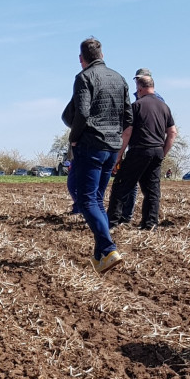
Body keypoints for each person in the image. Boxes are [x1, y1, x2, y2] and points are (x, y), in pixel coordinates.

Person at [67, 37, 132, 274]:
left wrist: (74, 138)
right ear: (102, 55)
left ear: (81, 59)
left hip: (91, 145)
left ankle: (109, 247)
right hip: (112, 147)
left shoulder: (83, 78)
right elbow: (128, 116)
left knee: (86, 200)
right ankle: (99, 258)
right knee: (96, 198)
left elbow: (82, 113)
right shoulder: (120, 78)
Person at [107, 70, 177, 230]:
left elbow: (127, 132)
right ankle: (150, 223)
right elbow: (172, 132)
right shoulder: (164, 107)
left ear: (139, 89)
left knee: (121, 185)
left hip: (140, 150)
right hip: (157, 150)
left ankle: (112, 222)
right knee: (152, 190)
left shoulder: (136, 106)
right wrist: (162, 152)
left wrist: (118, 155)